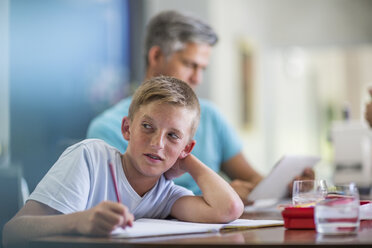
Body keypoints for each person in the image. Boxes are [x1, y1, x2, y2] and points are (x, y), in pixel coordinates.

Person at [87, 10, 314, 205]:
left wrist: (285, 185)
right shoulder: (107, 128)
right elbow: (127, 205)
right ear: (156, 55)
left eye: (202, 68)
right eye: (189, 65)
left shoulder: (211, 116)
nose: (197, 78)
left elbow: (253, 180)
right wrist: (220, 196)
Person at [2, 76, 244, 248]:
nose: (157, 143)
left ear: (187, 148)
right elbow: (12, 233)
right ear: (127, 128)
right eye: (147, 127)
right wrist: (79, 221)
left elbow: (229, 209)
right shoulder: (90, 157)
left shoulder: (167, 195)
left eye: (173, 136)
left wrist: (188, 161)